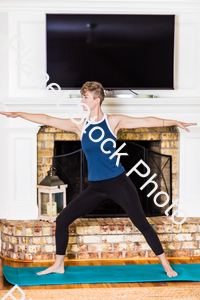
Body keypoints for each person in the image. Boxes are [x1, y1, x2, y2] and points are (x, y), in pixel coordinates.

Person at [0, 81, 197, 278]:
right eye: (82, 96)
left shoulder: (113, 121)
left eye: (85, 97)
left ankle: (167, 265)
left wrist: (174, 122)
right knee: (62, 220)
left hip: (118, 183)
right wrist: (19, 114)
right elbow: (47, 118)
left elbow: (146, 120)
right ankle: (58, 264)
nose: (82, 100)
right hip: (95, 187)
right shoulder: (80, 125)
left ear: (96, 99)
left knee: (141, 223)